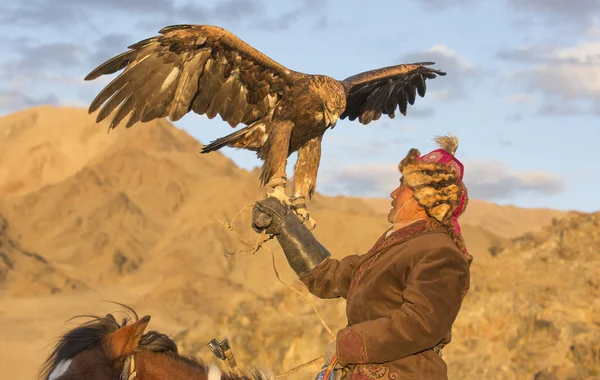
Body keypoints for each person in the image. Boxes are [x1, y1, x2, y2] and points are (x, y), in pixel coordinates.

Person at [251, 135, 473, 380]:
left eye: (402, 186)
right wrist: (285, 226)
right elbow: (329, 277)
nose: (393, 193)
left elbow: (421, 324)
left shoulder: (441, 253)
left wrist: (348, 345)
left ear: (424, 198)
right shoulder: (396, 247)